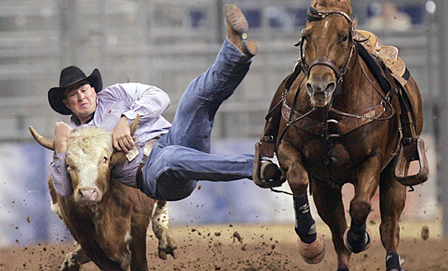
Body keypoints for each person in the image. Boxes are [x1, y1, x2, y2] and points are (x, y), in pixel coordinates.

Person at [48, 4, 281, 202]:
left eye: (84, 89)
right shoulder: (78, 137)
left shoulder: (116, 94)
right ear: (66, 104)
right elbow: (65, 189)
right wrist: (60, 151)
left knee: (193, 96)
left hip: (175, 137)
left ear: (94, 91)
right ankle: (257, 167)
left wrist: (125, 119)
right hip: (152, 174)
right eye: (73, 94)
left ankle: (235, 53)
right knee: (169, 158)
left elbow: (160, 98)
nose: (81, 96)